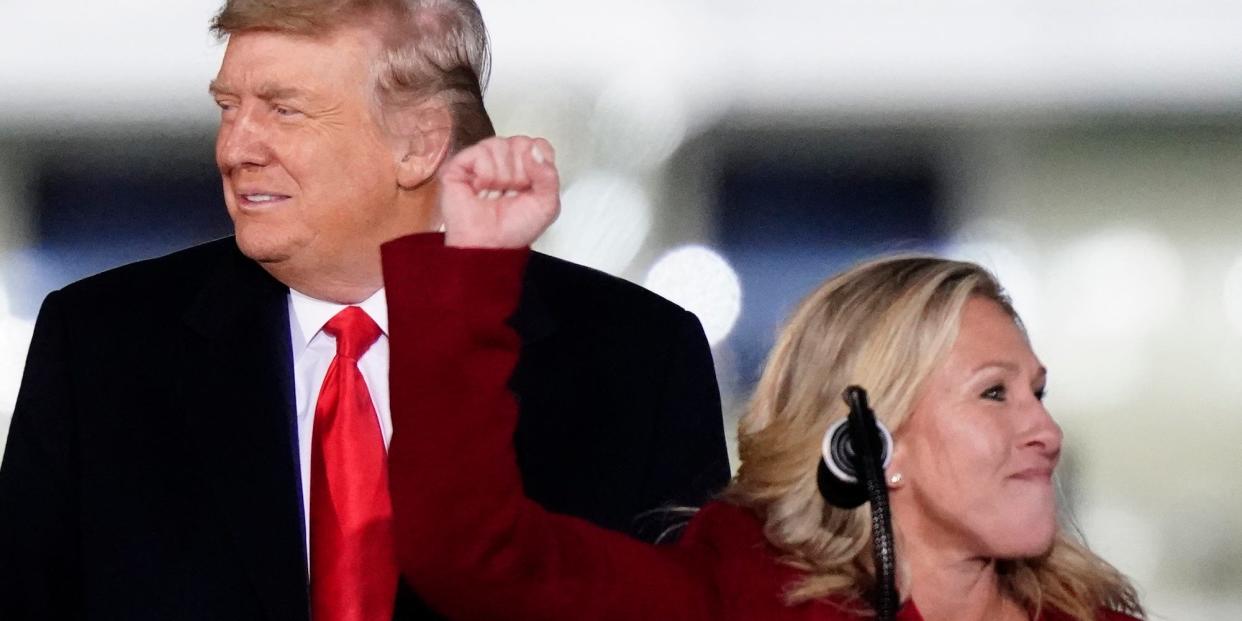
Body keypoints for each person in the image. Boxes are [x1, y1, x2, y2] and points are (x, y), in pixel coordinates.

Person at [0, 2, 728, 620]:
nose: (235, 147)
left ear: (417, 144)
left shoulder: (638, 358)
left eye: (283, 109)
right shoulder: (99, 347)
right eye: (229, 108)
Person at [380, 135, 1147, 621]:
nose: (1045, 431)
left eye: (1036, 392)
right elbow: (471, 550)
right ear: (869, 443)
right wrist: (474, 266)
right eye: (994, 392)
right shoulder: (725, 599)